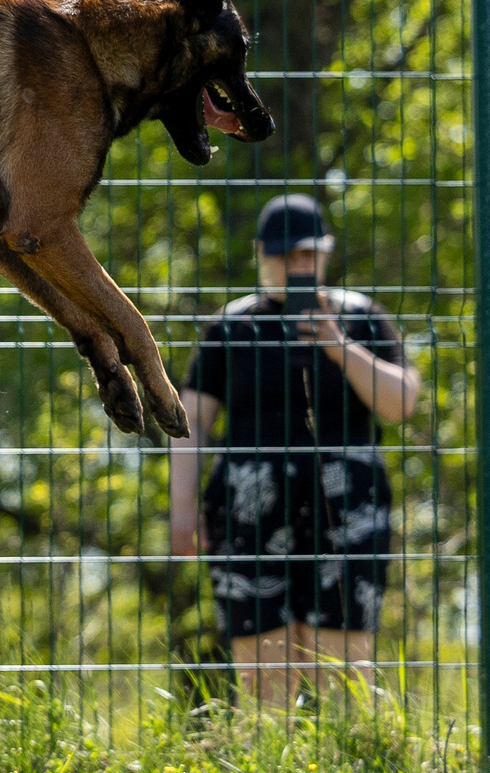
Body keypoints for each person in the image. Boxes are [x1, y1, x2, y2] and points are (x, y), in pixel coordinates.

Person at [169, 195, 420, 712]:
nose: (300, 266)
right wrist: (182, 508)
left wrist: (339, 345)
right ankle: (269, 765)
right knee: (262, 662)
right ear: (262, 255)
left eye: (310, 254)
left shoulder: (363, 318)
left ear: (326, 253)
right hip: (247, 506)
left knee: (346, 657)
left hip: (348, 503)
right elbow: (189, 424)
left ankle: (350, 764)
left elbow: (401, 405)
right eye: (288, 256)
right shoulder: (230, 327)